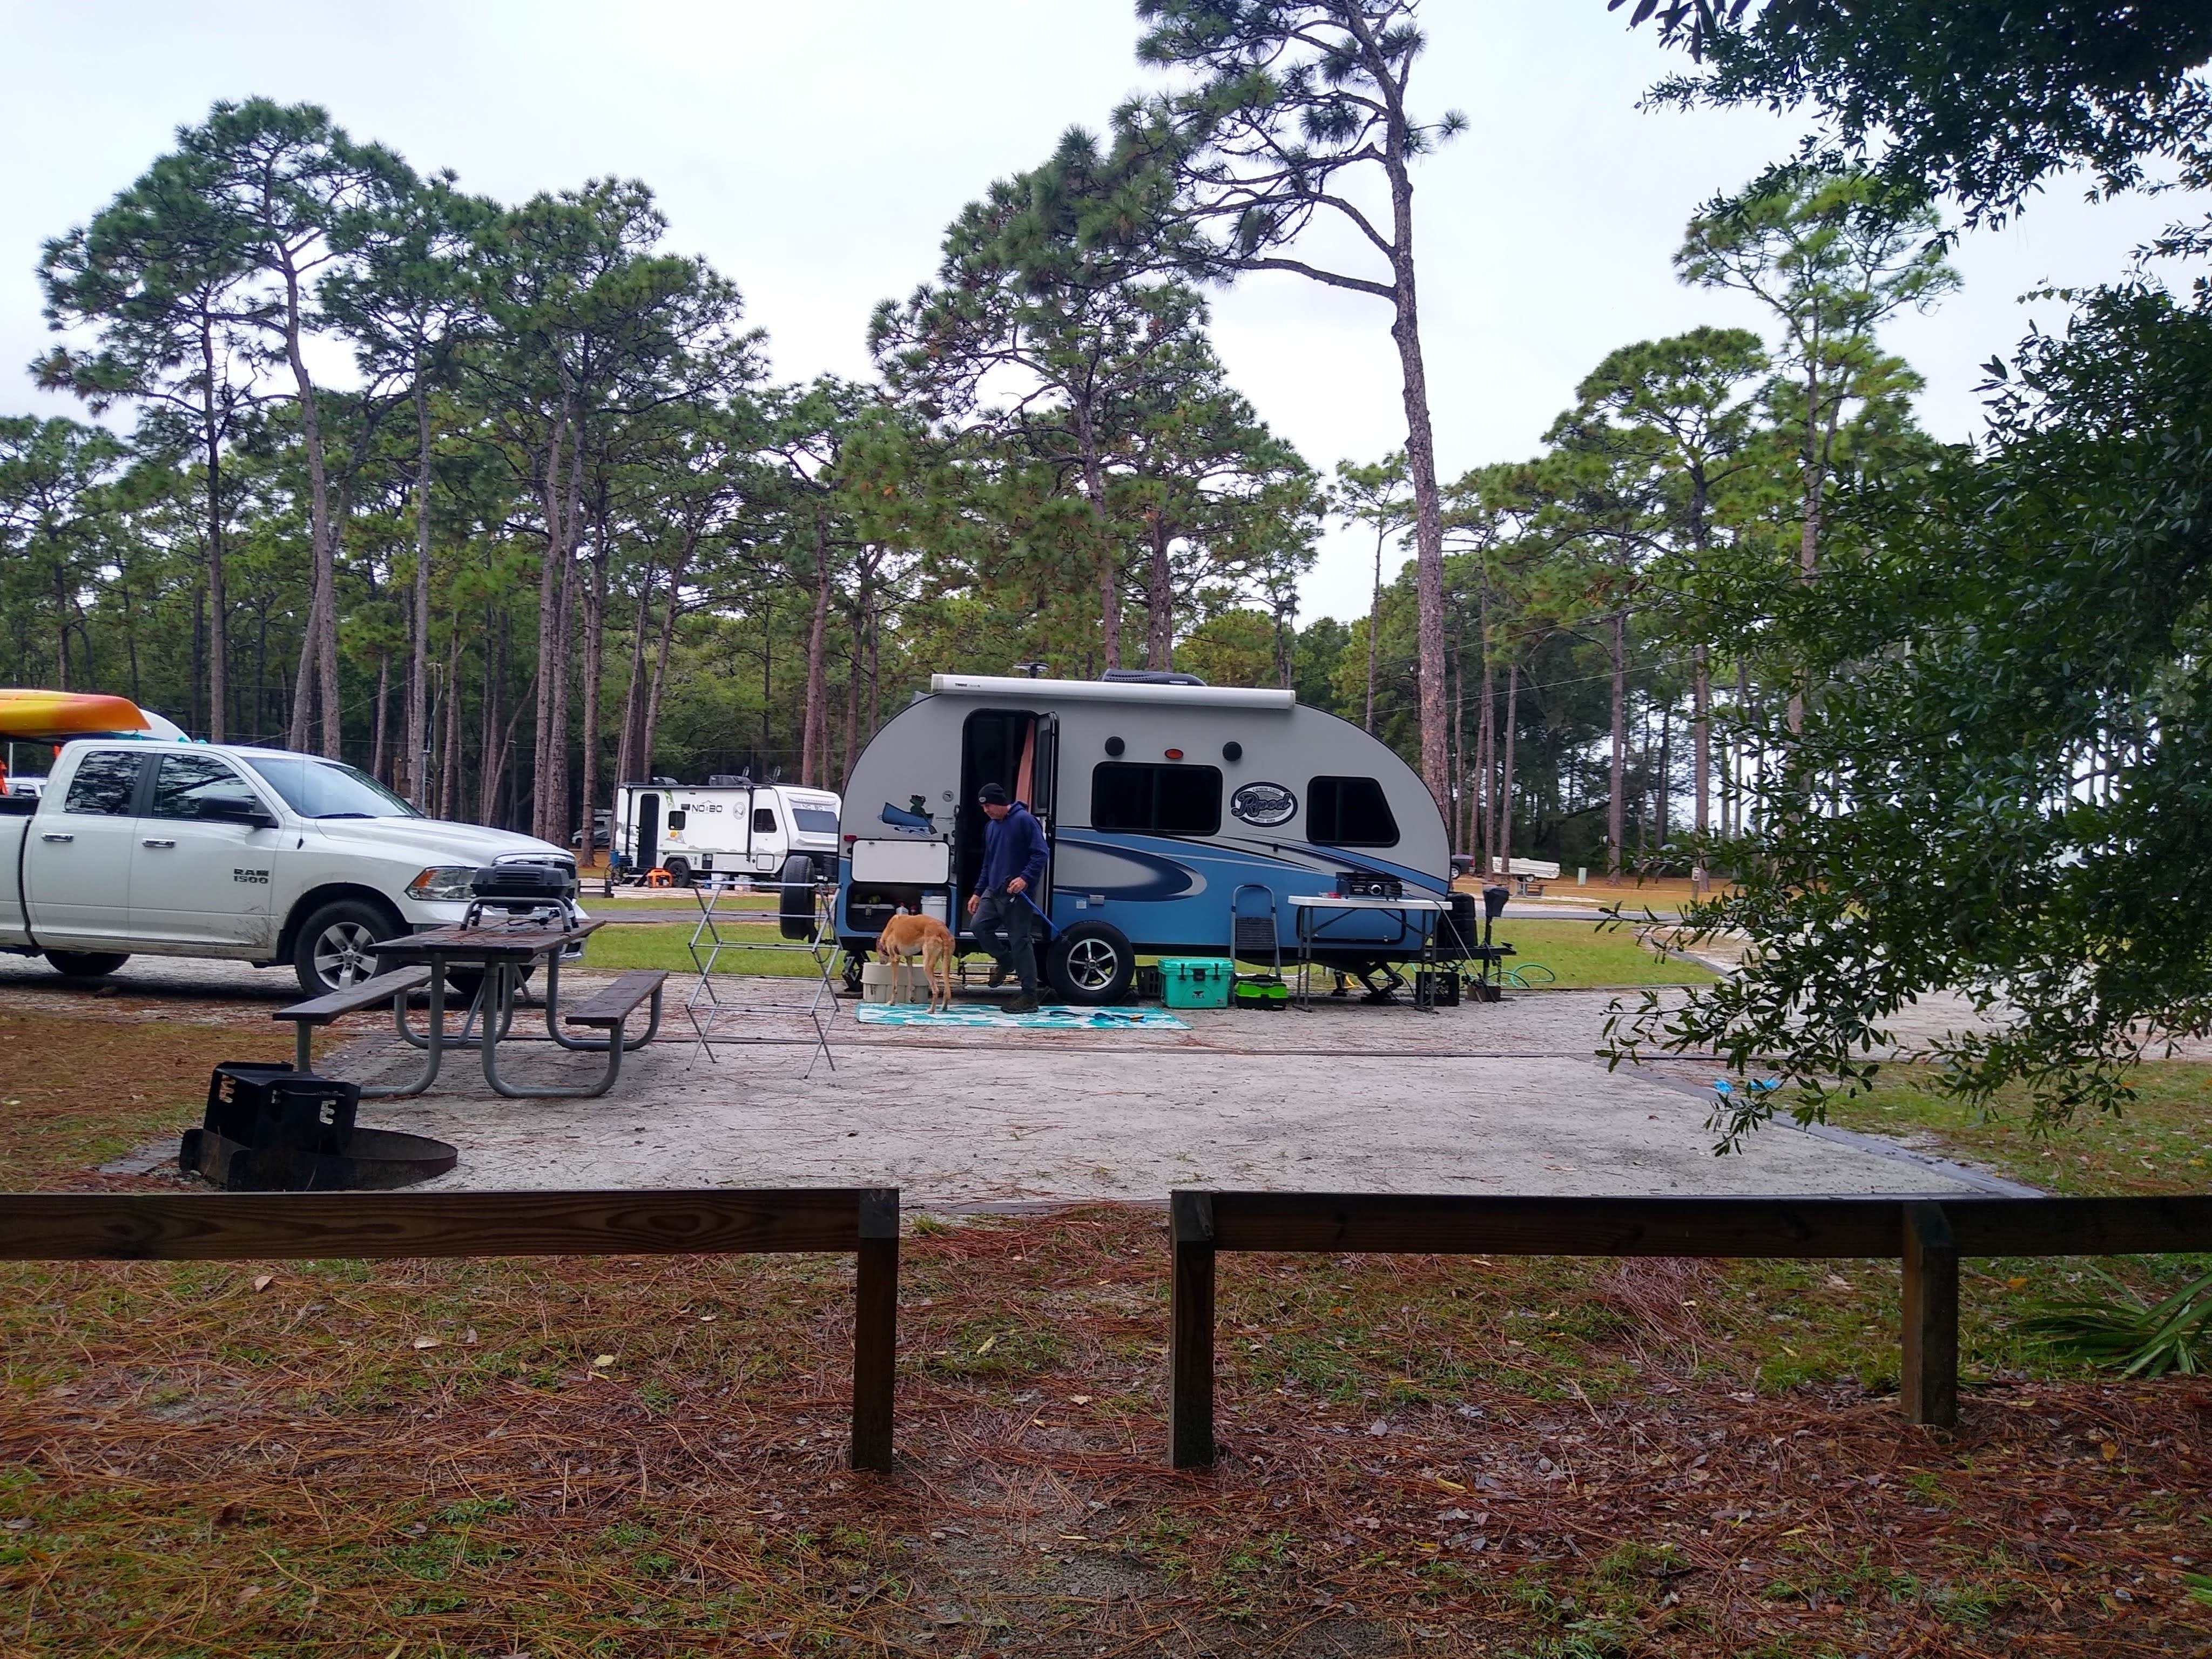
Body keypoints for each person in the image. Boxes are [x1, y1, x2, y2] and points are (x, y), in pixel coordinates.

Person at [967, 781, 1048, 1013]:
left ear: (1002, 803)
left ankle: (1029, 996)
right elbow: (988, 862)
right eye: (984, 808)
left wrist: (1025, 879)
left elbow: (1041, 853)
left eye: (990, 806)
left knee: (1020, 941)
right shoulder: (991, 827)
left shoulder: (1025, 820)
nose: (987, 811)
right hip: (993, 891)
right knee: (979, 926)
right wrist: (977, 891)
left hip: (1018, 893)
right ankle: (1005, 960)